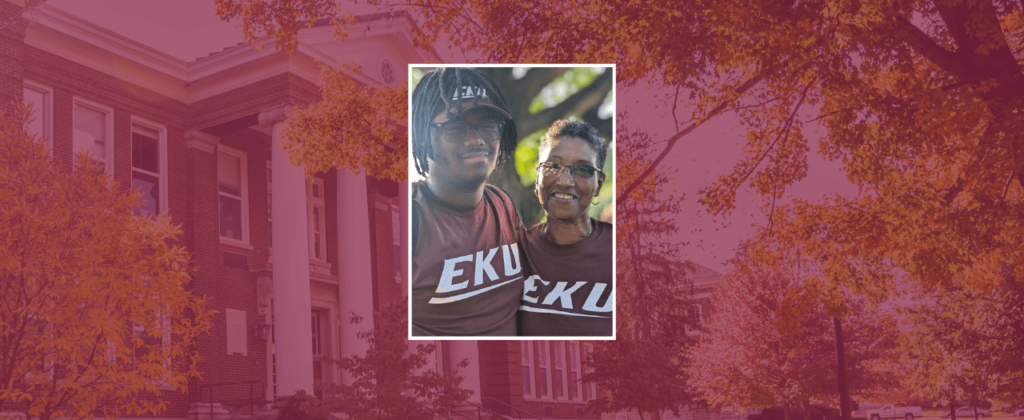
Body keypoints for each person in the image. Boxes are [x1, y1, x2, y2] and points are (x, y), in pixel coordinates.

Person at [410, 68, 526, 336]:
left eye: (487, 125)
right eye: (455, 127)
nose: (476, 139)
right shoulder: (410, 216)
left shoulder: (502, 204)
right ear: (423, 135)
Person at [520, 120, 613, 336]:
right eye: (553, 166)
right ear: (537, 178)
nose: (565, 181)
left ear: (598, 184)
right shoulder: (512, 256)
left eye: (582, 170)